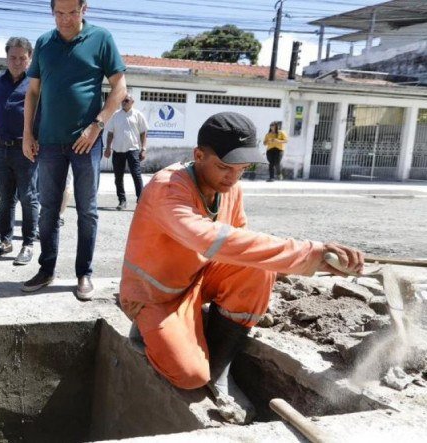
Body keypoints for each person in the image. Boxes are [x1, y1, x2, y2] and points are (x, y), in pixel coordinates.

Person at [119, 112, 364, 424]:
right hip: (155, 296)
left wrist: (317, 263)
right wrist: (308, 254)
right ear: (199, 155)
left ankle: (219, 369)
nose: (232, 177)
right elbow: (209, 240)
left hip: (195, 280)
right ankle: (148, 331)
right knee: (190, 375)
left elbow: (244, 247)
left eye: (241, 169)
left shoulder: (229, 189)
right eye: (224, 167)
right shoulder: (168, 189)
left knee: (259, 269)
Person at [21, 0, 127, 301]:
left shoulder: (101, 39)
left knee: (87, 210)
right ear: (52, 12)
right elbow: (32, 91)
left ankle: (84, 273)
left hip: (87, 142)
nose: (65, 19)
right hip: (49, 142)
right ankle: (46, 269)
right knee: (48, 211)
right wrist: (27, 133)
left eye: (71, 12)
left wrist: (97, 125)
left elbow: (120, 88)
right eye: (59, 13)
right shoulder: (44, 43)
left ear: (84, 9)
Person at [0, 37, 39, 266]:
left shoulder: (35, 84)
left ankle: (28, 244)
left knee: (28, 197)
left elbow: (44, 115)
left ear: (30, 59)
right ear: (6, 57)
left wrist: (38, 139)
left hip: (26, 151)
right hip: (1, 150)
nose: (17, 62)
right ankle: (5, 241)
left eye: (22, 58)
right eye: (12, 57)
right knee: (6, 200)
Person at [105, 94, 147, 210]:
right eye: (122, 100)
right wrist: (108, 148)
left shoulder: (138, 115)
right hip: (118, 150)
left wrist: (143, 148)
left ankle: (140, 200)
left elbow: (143, 132)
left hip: (133, 150)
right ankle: (122, 201)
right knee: (118, 177)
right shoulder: (116, 115)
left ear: (132, 102)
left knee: (136, 175)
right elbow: (110, 133)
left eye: (127, 100)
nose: (124, 102)